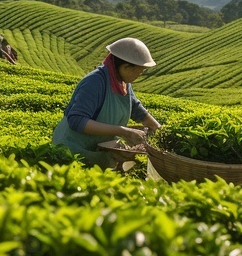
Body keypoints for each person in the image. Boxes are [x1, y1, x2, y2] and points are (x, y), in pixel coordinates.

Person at [52, 37, 162, 170]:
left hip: (95, 150)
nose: (139, 76)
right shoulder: (94, 82)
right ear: (126, 67)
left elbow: (136, 108)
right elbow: (77, 121)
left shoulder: (122, 82)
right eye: (138, 72)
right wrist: (122, 131)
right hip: (72, 151)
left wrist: (158, 129)